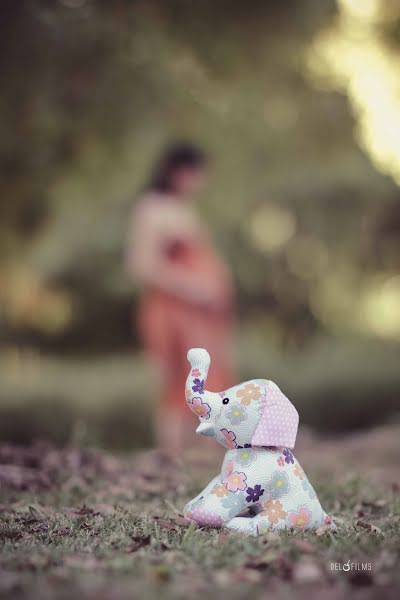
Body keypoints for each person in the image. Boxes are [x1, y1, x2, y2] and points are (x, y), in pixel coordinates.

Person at [125, 143, 235, 455]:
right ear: (177, 172)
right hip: (171, 311)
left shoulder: (184, 208)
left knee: (209, 382)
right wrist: (195, 289)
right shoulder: (152, 207)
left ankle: (201, 462)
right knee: (178, 383)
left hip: (198, 316)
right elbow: (142, 264)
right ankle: (174, 461)